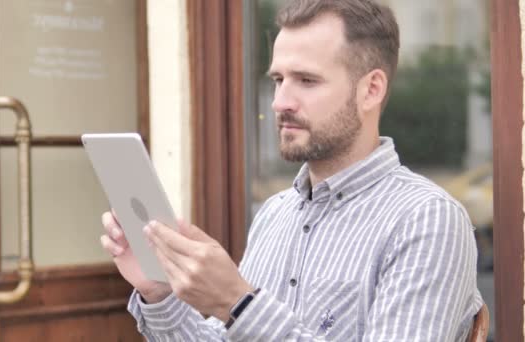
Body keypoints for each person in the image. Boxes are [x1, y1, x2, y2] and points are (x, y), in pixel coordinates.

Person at [100, 0, 483, 340]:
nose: (281, 101)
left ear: (371, 90)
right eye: (278, 80)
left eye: (306, 80)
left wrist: (239, 304)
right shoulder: (275, 214)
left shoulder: (427, 220)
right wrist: (160, 294)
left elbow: (245, 316)